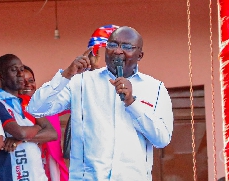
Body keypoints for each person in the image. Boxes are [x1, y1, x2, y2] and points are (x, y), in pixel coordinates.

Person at [27, 26, 174, 180]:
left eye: (126, 47)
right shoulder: (81, 81)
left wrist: (132, 103)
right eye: (112, 45)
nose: (117, 51)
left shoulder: (155, 88)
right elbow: (36, 108)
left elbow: (162, 139)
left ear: (140, 55)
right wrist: (66, 75)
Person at [0, 54, 57, 181]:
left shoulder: (28, 102)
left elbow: (52, 133)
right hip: (12, 173)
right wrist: (37, 127)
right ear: (0, 74)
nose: (20, 74)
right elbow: (20, 132)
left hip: (36, 174)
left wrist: (21, 140)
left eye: (21, 69)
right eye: (13, 70)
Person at [19, 65, 69, 181]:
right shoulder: (13, 110)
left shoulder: (49, 104)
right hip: (27, 168)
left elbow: (79, 101)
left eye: (31, 80)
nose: (28, 85)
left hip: (53, 167)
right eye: (23, 81)